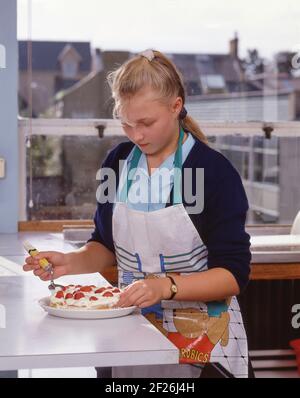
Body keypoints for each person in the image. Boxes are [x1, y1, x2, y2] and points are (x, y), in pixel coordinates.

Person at [23, 49, 252, 378]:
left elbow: (233, 274)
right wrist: (69, 262)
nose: (137, 135)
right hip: (128, 334)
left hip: (204, 345)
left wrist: (165, 287)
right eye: (127, 124)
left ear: (176, 106)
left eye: (146, 123)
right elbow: (104, 246)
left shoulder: (212, 172)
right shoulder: (117, 164)